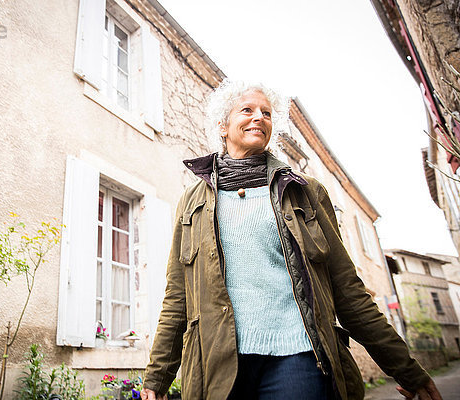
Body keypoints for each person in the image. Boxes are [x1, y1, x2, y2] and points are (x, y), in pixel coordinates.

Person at [140, 81, 442, 400]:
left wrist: (405, 369)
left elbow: (347, 289)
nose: (259, 117)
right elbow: (178, 296)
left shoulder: (305, 192)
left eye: (267, 113)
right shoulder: (192, 202)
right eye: (247, 110)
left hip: (298, 356)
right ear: (222, 125)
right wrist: (157, 377)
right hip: (217, 365)